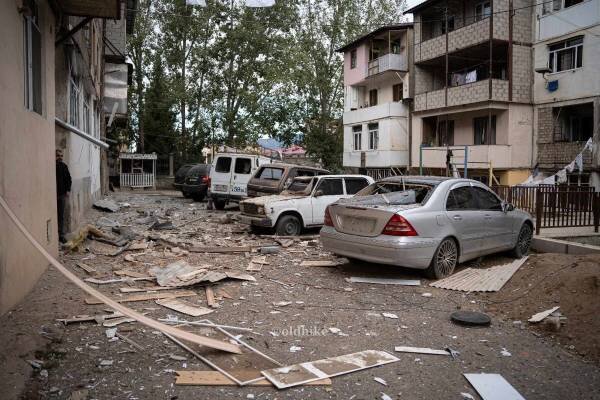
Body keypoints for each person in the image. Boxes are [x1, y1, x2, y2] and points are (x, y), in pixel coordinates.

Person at [56, 149, 71, 243]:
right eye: (58, 155)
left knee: (61, 215)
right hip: (52, 195)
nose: (60, 157)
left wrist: (68, 190)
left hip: (61, 195)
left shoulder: (64, 166)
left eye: (61, 156)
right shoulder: (52, 166)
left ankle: (61, 235)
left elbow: (69, 179)